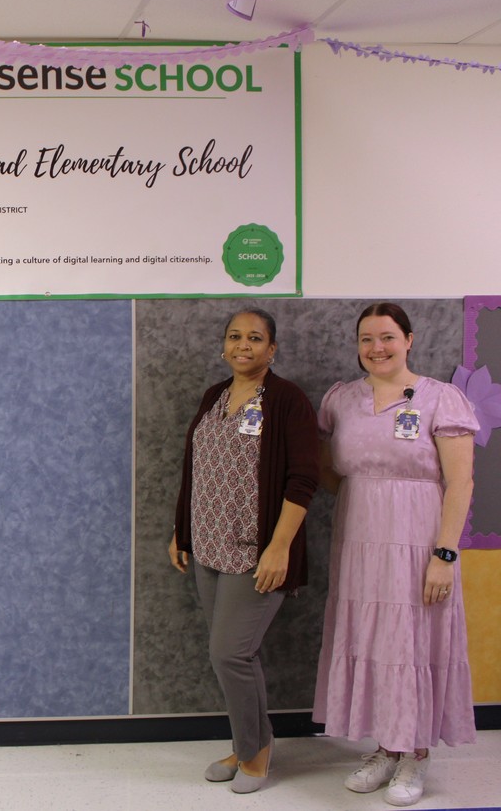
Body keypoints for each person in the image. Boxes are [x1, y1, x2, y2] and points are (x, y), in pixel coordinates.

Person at [313, 302, 477, 807]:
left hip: (420, 540)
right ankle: (386, 747)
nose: (376, 348)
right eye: (366, 339)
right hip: (360, 542)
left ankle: (416, 756)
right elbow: (328, 472)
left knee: (414, 641)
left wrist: (443, 555)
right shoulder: (340, 400)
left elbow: (461, 483)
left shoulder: (441, 400)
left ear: (409, 339)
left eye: (387, 337)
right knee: (375, 641)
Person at [168, 309, 319, 794]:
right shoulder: (215, 396)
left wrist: (280, 547)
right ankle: (247, 741)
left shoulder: (287, 400)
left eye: (256, 338)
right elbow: (197, 467)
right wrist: (181, 530)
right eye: (235, 337)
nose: (244, 345)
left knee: (229, 653)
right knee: (235, 656)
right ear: (223, 345)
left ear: (272, 349)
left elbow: (304, 478)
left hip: (256, 551)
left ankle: (256, 752)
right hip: (209, 545)